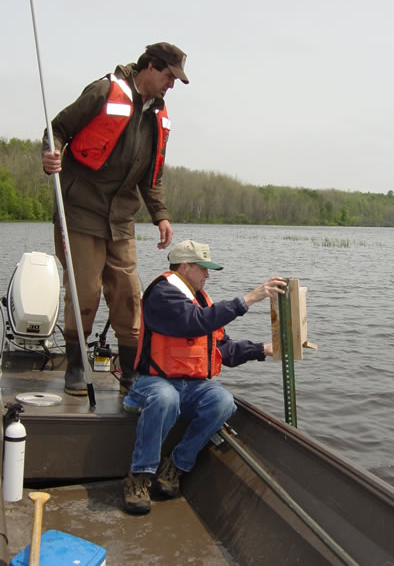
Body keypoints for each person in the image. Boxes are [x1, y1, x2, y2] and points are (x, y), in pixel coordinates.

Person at [41, 42, 189, 396]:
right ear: (150, 67)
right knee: (85, 292)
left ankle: (131, 372)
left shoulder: (158, 115)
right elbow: (56, 128)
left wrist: (161, 217)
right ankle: (75, 365)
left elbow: (151, 176)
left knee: (127, 293)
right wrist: (51, 153)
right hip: (81, 212)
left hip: (121, 219)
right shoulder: (104, 90)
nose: (171, 84)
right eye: (169, 76)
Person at [122, 239, 286, 514]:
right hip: (153, 382)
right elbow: (194, 322)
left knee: (223, 402)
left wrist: (264, 350)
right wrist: (250, 298)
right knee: (165, 398)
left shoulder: (199, 300)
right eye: (203, 269)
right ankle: (139, 476)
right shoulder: (163, 293)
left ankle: (175, 466)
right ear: (185, 267)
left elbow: (222, 349)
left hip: (191, 385)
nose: (208, 275)